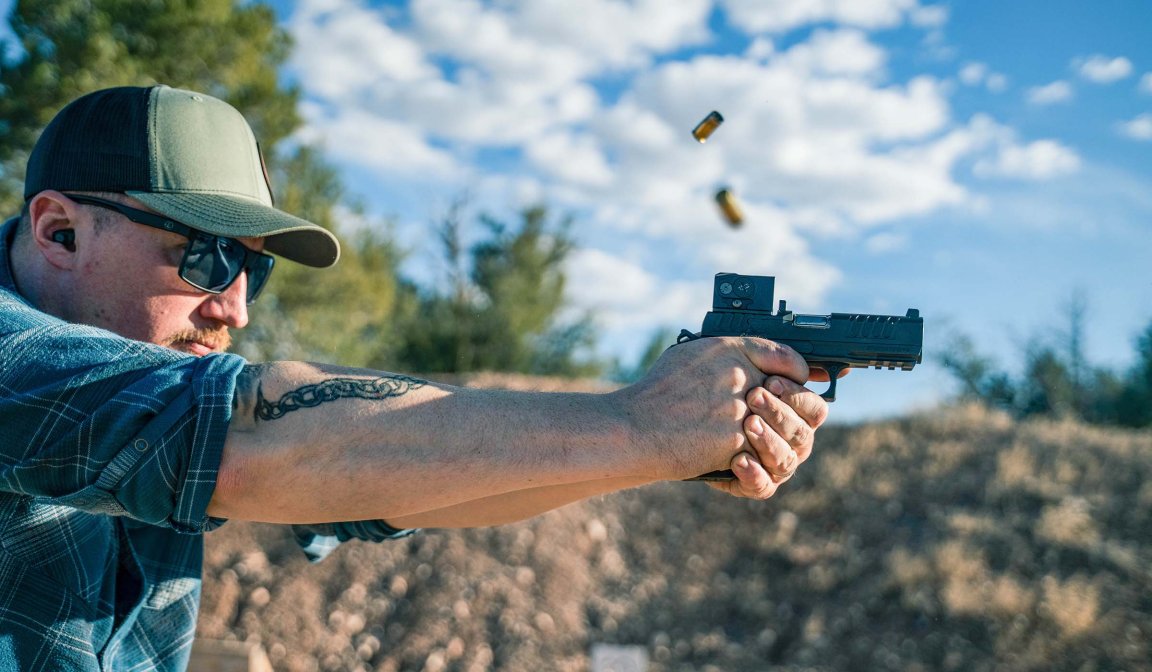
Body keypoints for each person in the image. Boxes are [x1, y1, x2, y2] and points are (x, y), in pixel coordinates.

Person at [0, 85, 831, 671]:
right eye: (208, 258)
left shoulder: (137, 364)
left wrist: (661, 446)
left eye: (256, 270)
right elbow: (252, 444)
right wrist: (639, 422)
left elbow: (411, 492)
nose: (237, 309)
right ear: (60, 231)